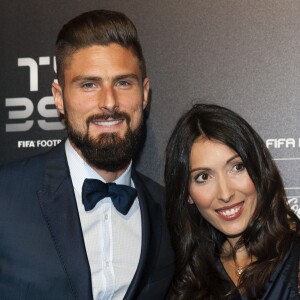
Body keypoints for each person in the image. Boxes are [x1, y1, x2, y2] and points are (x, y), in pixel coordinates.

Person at [0, 10, 174, 300]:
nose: (109, 102)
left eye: (123, 83)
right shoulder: (5, 196)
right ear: (59, 97)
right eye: (89, 85)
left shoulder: (169, 212)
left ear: (144, 93)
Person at [165, 103, 300, 300]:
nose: (225, 193)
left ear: (258, 170)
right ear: (187, 193)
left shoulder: (294, 258)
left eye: (237, 167)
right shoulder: (189, 277)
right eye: (203, 177)